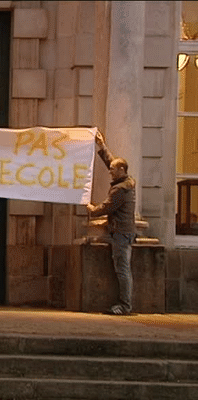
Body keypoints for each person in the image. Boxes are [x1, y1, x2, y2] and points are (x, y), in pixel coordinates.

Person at [86, 131, 136, 316]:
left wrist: (92, 209)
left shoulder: (119, 190)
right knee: (123, 269)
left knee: (122, 270)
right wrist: (102, 146)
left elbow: (106, 207)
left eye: (113, 170)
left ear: (121, 171)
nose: (110, 171)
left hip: (121, 234)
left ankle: (125, 306)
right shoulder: (127, 182)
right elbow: (112, 161)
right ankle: (125, 304)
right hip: (125, 232)